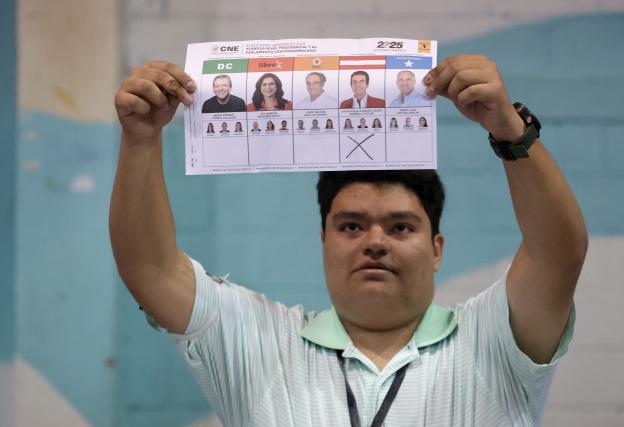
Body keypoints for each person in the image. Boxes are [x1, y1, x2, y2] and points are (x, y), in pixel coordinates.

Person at [112, 55, 587, 426]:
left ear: (437, 248)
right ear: (324, 240)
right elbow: (152, 271)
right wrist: (141, 141)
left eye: (401, 227)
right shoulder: (260, 344)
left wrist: (511, 131)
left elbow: (558, 255)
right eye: (351, 226)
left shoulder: (495, 341)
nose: (374, 242)